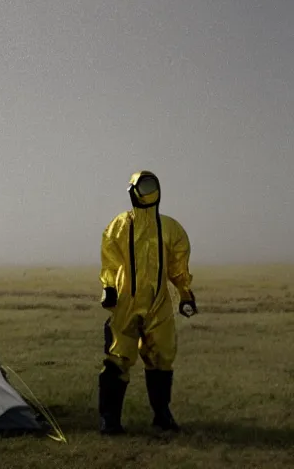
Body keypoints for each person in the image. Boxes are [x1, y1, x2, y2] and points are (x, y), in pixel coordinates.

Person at [97, 170, 198, 435]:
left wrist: (185, 294)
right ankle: (110, 418)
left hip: (158, 304)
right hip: (125, 302)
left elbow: (178, 266)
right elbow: (110, 260)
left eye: (150, 185)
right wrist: (108, 288)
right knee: (118, 356)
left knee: (162, 356)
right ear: (132, 191)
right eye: (143, 185)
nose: (147, 190)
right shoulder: (119, 225)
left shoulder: (171, 228)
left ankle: (162, 414)